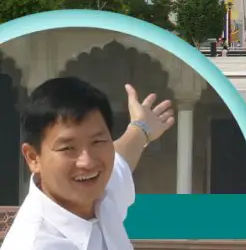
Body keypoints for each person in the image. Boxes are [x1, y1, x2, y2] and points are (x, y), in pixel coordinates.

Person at [2, 76, 176, 249]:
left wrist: (141, 127)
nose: (87, 162)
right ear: (33, 157)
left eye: (97, 142)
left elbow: (122, 158)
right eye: (68, 148)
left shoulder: (102, 194)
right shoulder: (35, 244)